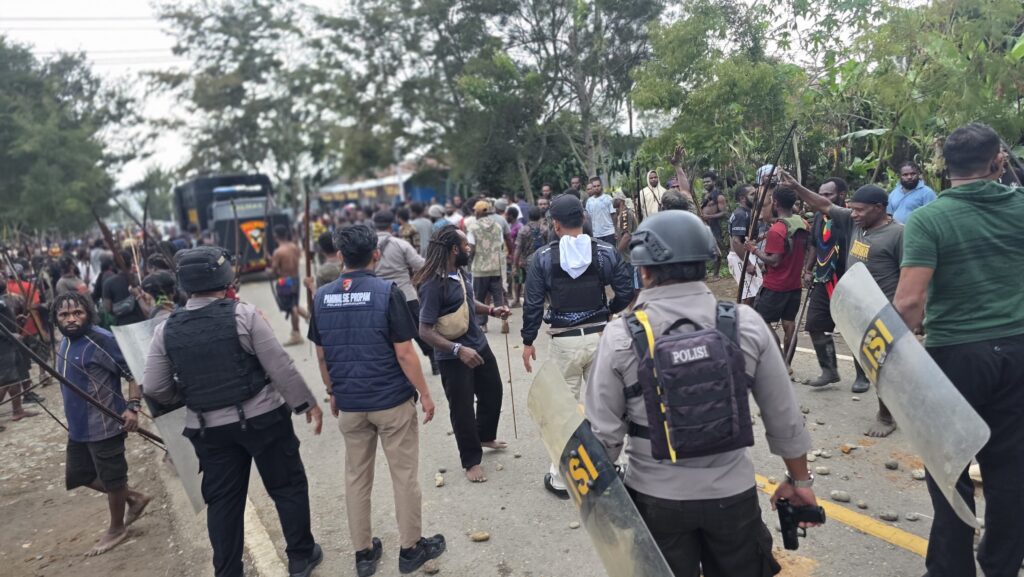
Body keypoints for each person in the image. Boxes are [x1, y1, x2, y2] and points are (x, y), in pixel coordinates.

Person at [585, 210, 817, 577]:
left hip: (655, 499)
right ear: (705, 263)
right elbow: (784, 418)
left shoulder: (619, 336)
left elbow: (604, 436)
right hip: (733, 497)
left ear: (644, 271)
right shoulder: (745, 323)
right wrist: (800, 482)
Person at [143, 246, 324, 577]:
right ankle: (301, 557)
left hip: (208, 429)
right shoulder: (245, 315)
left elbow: (155, 387)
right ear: (225, 278)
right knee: (287, 486)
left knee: (223, 502)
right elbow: (279, 367)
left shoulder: (166, 329)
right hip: (264, 420)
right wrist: (305, 403)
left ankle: (227, 571)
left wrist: (189, 395)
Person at [893, 122, 1024, 577]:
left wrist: (897, 361)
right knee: (1011, 467)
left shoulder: (929, 219)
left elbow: (909, 303)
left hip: (956, 357)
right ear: (998, 162)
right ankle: (1001, 563)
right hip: (1018, 351)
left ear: (943, 166)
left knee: (948, 468)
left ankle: (951, 568)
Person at [307, 225, 444, 576]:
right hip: (391, 402)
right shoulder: (387, 293)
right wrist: (426, 394)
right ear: (376, 255)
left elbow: (322, 356)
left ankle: (363, 553)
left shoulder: (321, 297)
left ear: (340, 256)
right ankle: (410, 549)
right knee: (404, 475)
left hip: (350, 404)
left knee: (356, 477)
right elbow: (405, 353)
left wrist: (333, 392)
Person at [521, 194, 635, 498]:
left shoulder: (542, 258)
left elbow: (532, 304)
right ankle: (613, 467)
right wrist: (609, 309)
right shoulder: (605, 253)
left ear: (556, 225)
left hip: (564, 342)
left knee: (564, 411)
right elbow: (626, 290)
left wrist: (528, 341)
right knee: (606, 406)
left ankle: (562, 477)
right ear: (583, 219)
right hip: (600, 337)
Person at [785, 173, 903, 436]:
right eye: (852, 209)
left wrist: (911, 314)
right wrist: (795, 186)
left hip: (884, 310)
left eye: (860, 210)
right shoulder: (855, 224)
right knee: (868, 357)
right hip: (856, 303)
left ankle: (886, 417)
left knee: (883, 367)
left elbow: (910, 273)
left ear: (879, 208)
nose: (854, 214)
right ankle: (833, 372)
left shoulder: (898, 234)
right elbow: (824, 205)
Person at [50, 292, 152, 557]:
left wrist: (132, 407)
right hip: (78, 426)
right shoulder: (65, 341)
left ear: (88, 314)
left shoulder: (101, 339)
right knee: (79, 475)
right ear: (56, 319)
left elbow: (133, 371)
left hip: (106, 424)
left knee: (113, 478)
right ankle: (134, 498)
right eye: (64, 315)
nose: (71, 319)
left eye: (77, 313)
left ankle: (117, 529)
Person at [415, 225, 511, 483]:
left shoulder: (460, 272)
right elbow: (424, 330)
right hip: (453, 357)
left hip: (478, 345)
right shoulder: (432, 284)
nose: (470, 248)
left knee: (493, 392)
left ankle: (485, 436)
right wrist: (457, 349)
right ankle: (470, 460)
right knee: (462, 409)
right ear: (454, 249)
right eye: (466, 245)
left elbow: (466, 302)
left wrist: (491, 311)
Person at [744, 187, 808, 363]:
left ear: (776, 203)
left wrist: (753, 249)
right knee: (789, 324)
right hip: (794, 285)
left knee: (761, 320)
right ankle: (787, 364)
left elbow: (774, 261)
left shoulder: (777, 230)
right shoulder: (802, 223)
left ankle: (779, 360)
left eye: (772, 199)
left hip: (775, 286)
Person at [800, 178, 850, 388]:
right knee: (815, 324)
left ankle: (862, 376)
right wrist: (808, 269)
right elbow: (814, 244)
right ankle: (829, 370)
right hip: (823, 278)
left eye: (828, 194)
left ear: (841, 195)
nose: (823, 198)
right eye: (821, 194)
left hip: (847, 280)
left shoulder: (850, 217)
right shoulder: (820, 218)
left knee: (854, 330)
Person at [372, 211, 436, 374]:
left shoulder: (368, 248)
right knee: (420, 330)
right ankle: (434, 361)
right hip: (405, 294)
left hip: (378, 297)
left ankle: (394, 368)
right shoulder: (400, 244)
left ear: (374, 225)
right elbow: (420, 264)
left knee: (385, 333)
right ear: (391, 225)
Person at [0, 277, 38, 425]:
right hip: (3, 346)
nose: (2, 278)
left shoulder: (3, 299)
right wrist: (10, 334)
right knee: (6, 381)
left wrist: (16, 319)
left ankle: (17, 410)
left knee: (14, 378)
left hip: (10, 344)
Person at [465, 201, 507, 334]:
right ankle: (504, 320)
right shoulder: (497, 226)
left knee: (479, 297)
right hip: (496, 267)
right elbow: (501, 244)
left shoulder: (473, 227)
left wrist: (469, 260)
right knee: (499, 296)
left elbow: (471, 248)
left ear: (477, 212)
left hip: (480, 269)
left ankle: (482, 324)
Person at [270, 224, 309, 346]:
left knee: (292, 308)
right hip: (295, 278)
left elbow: (274, 270)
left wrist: (268, 271)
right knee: (294, 304)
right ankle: (311, 319)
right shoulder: (294, 247)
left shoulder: (278, 252)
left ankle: (296, 334)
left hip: (285, 280)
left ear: (275, 236)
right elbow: (291, 260)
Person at [727, 184, 763, 306]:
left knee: (754, 290)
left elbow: (745, 239)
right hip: (739, 256)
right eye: (752, 194)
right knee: (749, 293)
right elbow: (736, 242)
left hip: (744, 255)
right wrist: (747, 264)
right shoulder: (741, 214)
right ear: (742, 198)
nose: (756, 196)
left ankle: (749, 314)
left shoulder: (747, 212)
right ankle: (744, 315)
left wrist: (762, 237)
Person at [102, 251, 146, 326]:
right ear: (131, 262)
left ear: (115, 264)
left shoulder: (108, 283)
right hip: (142, 320)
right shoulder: (139, 278)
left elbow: (107, 308)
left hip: (123, 324)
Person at [700, 171, 729, 277]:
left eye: (708, 181)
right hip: (705, 225)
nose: (705, 184)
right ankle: (705, 273)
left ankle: (716, 274)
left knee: (717, 249)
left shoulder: (719, 196)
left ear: (714, 182)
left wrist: (709, 217)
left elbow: (724, 213)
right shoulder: (705, 195)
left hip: (715, 226)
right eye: (704, 182)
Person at [584, 177, 616, 245]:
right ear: (592, 187)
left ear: (601, 186)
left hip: (609, 233)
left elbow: (613, 215)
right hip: (595, 235)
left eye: (598, 186)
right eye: (594, 186)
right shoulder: (589, 202)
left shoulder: (608, 198)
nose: (596, 188)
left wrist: (616, 230)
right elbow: (588, 219)